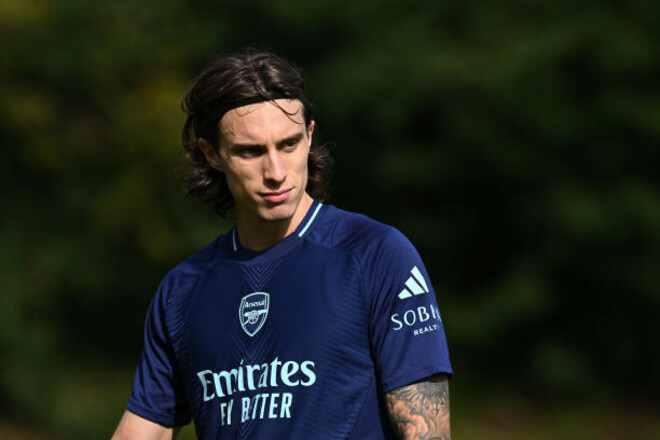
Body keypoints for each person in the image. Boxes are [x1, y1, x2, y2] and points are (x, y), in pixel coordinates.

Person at [112, 48, 452, 440]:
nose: (275, 172)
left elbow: (428, 433)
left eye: (288, 144)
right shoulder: (182, 291)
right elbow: (142, 429)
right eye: (251, 151)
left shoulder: (376, 255)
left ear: (309, 136)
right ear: (213, 154)